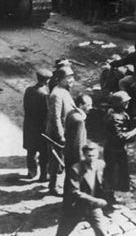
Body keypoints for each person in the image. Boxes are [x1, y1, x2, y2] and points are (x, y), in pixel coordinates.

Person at [55, 143, 112, 236]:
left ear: (98, 154)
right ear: (84, 155)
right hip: (76, 208)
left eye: (94, 155)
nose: (92, 158)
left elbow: (107, 184)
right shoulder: (76, 169)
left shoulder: (101, 165)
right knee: (62, 233)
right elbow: (75, 192)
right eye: (89, 156)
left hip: (93, 208)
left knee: (102, 233)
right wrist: (97, 201)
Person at [45, 65, 76, 196]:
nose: (72, 80)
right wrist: (61, 134)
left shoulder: (64, 90)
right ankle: (53, 187)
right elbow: (55, 116)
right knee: (56, 160)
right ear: (60, 79)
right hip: (58, 133)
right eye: (68, 78)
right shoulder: (56, 94)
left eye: (72, 77)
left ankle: (56, 183)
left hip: (65, 130)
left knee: (60, 159)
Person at [102, 90, 136, 194]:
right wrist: (134, 132)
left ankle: (112, 193)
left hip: (114, 148)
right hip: (115, 150)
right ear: (120, 104)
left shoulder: (114, 113)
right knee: (115, 174)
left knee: (115, 173)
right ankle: (111, 197)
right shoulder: (115, 118)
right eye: (125, 102)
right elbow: (120, 137)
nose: (127, 103)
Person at [63, 94, 93, 201]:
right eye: (88, 105)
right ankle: (74, 207)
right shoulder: (79, 120)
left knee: (68, 180)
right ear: (81, 105)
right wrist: (81, 160)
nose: (91, 107)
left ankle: (67, 203)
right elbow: (79, 143)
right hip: (75, 156)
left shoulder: (71, 113)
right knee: (76, 182)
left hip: (68, 152)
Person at [23, 69, 51, 181]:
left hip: (30, 126)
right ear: (47, 80)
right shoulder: (45, 93)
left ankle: (31, 172)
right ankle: (44, 175)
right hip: (41, 128)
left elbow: (26, 107)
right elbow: (47, 112)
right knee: (44, 152)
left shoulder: (29, 90)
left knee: (31, 151)